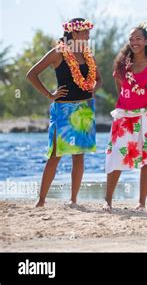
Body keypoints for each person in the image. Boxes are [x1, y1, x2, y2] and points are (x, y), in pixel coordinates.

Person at [26, 18, 101, 208]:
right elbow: (31, 74)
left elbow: (98, 79)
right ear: (74, 34)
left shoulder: (88, 55)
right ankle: (41, 200)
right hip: (64, 110)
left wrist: (94, 88)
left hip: (84, 110)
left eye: (88, 31)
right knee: (55, 155)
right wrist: (49, 95)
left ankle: (73, 200)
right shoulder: (58, 52)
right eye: (84, 32)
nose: (88, 35)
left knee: (79, 156)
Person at [103, 23, 147, 212]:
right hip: (125, 117)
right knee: (116, 156)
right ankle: (108, 200)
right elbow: (121, 90)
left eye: (138, 38)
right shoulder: (122, 66)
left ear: (146, 41)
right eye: (131, 39)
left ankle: (141, 202)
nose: (134, 42)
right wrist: (130, 106)